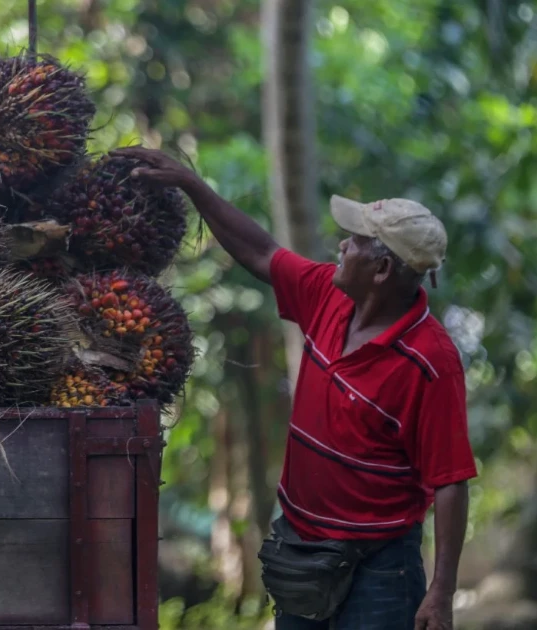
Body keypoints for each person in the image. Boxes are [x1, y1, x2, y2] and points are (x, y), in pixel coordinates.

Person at [112, 146, 477, 630]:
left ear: (383, 270)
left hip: (380, 566)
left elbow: (450, 480)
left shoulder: (431, 361)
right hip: (301, 549)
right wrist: (192, 185)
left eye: (354, 242)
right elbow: (261, 252)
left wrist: (442, 592)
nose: (342, 247)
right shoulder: (329, 294)